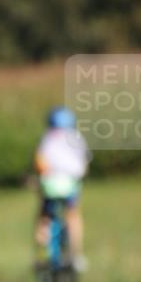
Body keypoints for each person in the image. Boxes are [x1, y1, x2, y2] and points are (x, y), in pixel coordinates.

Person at [34, 106, 90, 272]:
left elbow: (40, 163)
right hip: (70, 185)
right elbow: (84, 164)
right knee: (73, 215)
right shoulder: (77, 138)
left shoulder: (47, 138)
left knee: (44, 216)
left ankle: (42, 252)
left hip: (50, 186)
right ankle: (76, 255)